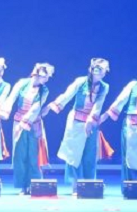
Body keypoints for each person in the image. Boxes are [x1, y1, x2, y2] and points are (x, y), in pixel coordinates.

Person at [43, 58, 112, 189]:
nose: (101, 72)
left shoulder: (104, 87)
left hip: (91, 123)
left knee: (90, 154)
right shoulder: (81, 82)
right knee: (73, 153)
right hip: (75, 121)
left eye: (104, 70)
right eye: (99, 69)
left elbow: (98, 106)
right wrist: (52, 105)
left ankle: (89, 183)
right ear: (92, 70)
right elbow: (67, 95)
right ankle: (75, 184)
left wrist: (90, 121)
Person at [99, 61, 137, 185]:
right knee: (129, 155)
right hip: (130, 123)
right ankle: (129, 185)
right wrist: (106, 114)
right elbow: (121, 100)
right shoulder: (133, 85)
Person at [0, 63, 54, 194]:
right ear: (37, 74)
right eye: (45, 76)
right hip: (19, 122)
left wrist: (27, 120)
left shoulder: (44, 90)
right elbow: (12, 97)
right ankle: (22, 186)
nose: (46, 79)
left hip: (34, 123)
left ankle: (34, 184)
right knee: (20, 154)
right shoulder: (22, 83)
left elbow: (36, 107)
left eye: (47, 77)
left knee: (33, 155)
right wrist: (5, 111)